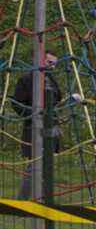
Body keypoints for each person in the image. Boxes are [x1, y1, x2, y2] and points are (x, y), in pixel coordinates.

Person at [13, 50, 62, 200]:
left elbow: (57, 100)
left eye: (54, 64)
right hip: (33, 128)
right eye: (49, 63)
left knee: (47, 166)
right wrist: (34, 114)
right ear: (40, 61)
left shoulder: (51, 79)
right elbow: (16, 104)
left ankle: (42, 199)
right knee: (34, 166)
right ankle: (22, 201)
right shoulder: (27, 79)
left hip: (51, 128)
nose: (52, 67)